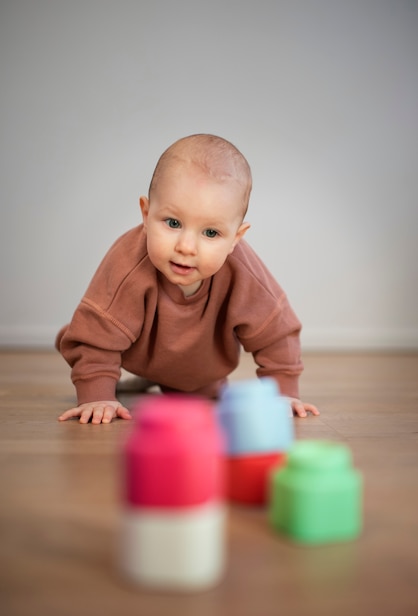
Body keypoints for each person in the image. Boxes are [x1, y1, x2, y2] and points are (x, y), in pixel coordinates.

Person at [56, 134, 320, 424]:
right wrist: (96, 395)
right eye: (173, 223)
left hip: (200, 369)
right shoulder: (128, 263)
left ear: (235, 238)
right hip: (133, 348)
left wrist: (283, 392)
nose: (186, 247)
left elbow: (276, 330)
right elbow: (97, 336)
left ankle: (174, 382)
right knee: (91, 336)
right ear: (146, 214)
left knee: (199, 397)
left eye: (210, 233)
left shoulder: (243, 272)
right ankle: (129, 374)